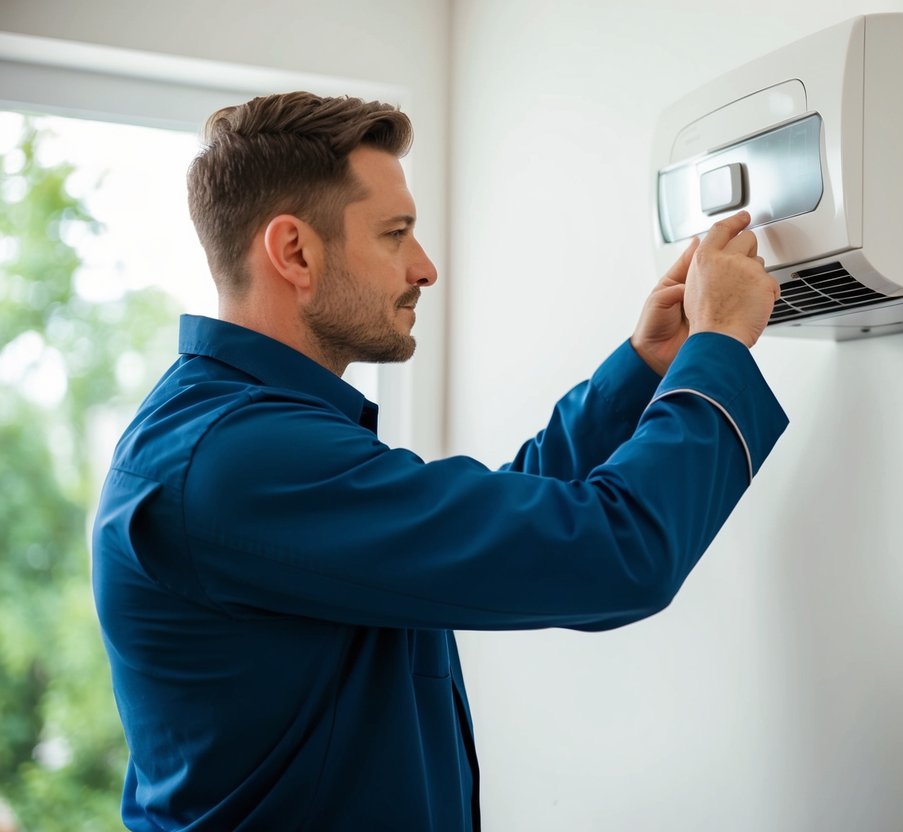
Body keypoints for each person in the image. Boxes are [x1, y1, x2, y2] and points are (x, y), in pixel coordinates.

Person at [92, 91, 786, 831]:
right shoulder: (240, 459)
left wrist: (645, 369)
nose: (424, 269)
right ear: (294, 251)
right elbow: (614, 554)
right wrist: (717, 348)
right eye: (396, 234)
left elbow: (495, 523)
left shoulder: (242, 435)